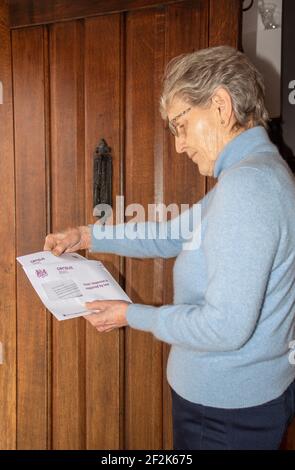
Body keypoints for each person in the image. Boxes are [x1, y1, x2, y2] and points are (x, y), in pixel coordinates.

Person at [44, 46, 295, 450]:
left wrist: (130, 315)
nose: (178, 145)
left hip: (223, 411)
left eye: (181, 124)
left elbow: (224, 327)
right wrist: (87, 236)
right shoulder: (254, 174)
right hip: (238, 399)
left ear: (219, 105)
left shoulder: (248, 187)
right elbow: (172, 234)